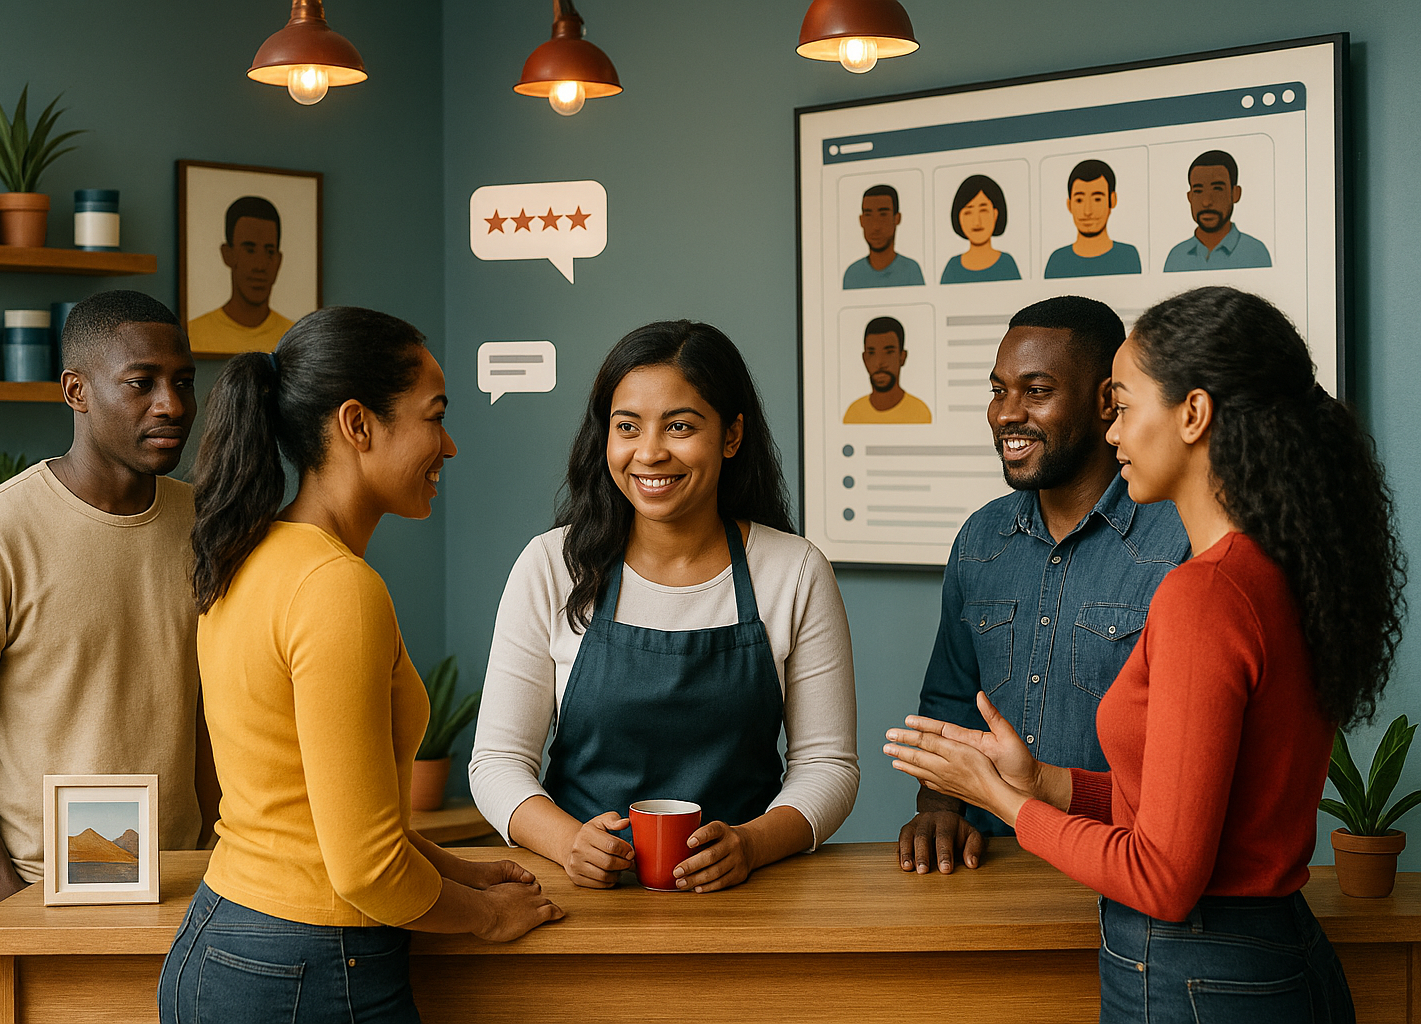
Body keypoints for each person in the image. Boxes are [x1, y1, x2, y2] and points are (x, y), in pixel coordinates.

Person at [886, 286, 1404, 1022]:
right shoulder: (1269, 569)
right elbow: (1186, 808)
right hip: (1273, 956)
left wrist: (1003, 801)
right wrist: (1043, 781)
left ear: (1192, 415)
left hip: (1195, 973)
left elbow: (1162, 876)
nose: (1115, 431)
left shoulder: (1204, 593)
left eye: (1124, 406)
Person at [159, 307, 562, 1023]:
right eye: (435, 417)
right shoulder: (336, 588)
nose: (449, 445)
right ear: (358, 424)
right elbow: (367, 872)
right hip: (308, 965)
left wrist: (458, 872)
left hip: (224, 938)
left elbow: (310, 816)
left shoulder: (250, 554)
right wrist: (486, 916)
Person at [0, 290, 217, 1024]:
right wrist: (14, 911)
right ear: (76, 390)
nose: (172, 404)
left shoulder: (206, 524)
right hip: (24, 910)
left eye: (183, 381)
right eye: (141, 382)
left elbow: (213, 710)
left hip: (179, 908)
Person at [470, 320, 858, 893]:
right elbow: (497, 763)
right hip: (585, 896)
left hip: (748, 897)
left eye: (679, 426)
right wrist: (568, 842)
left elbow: (828, 767)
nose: (649, 453)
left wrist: (752, 845)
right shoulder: (552, 565)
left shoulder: (795, 571)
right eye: (627, 427)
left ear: (731, 436)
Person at [898, 295, 1188, 874]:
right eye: (998, 390)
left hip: (1122, 865)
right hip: (993, 865)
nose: (1006, 414)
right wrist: (939, 806)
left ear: (1106, 401)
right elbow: (951, 701)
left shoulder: (1178, 543)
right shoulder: (980, 540)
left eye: (1036, 391)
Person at [186, 196, 297, 354]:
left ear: (278, 261)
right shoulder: (193, 334)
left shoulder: (294, 338)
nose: (260, 266)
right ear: (227, 254)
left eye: (269, 252)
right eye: (249, 250)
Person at [1162, 150, 1273, 272]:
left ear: (1236, 193)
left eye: (1217, 189)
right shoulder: (1176, 257)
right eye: (1198, 191)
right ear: (1190, 197)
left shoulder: (1255, 252)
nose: (1206, 202)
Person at [1043, 159, 1141, 278]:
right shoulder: (1057, 261)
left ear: (1112, 200)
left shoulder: (1128, 256)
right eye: (1079, 200)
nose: (1087, 211)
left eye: (1097, 199)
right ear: (1069, 205)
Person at [842, 316, 931, 423]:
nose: (879, 362)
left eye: (889, 352)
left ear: (902, 357)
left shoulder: (920, 413)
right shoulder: (853, 414)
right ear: (865, 359)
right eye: (872, 353)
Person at [940, 174, 1021, 283]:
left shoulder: (1007, 263)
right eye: (968, 212)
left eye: (983, 211)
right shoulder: (952, 267)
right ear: (959, 218)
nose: (977, 222)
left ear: (995, 214)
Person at [843, 184, 925, 289]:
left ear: (897, 218)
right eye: (868, 215)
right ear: (861, 220)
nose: (876, 226)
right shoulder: (853, 274)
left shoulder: (910, 270)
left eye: (883, 215)